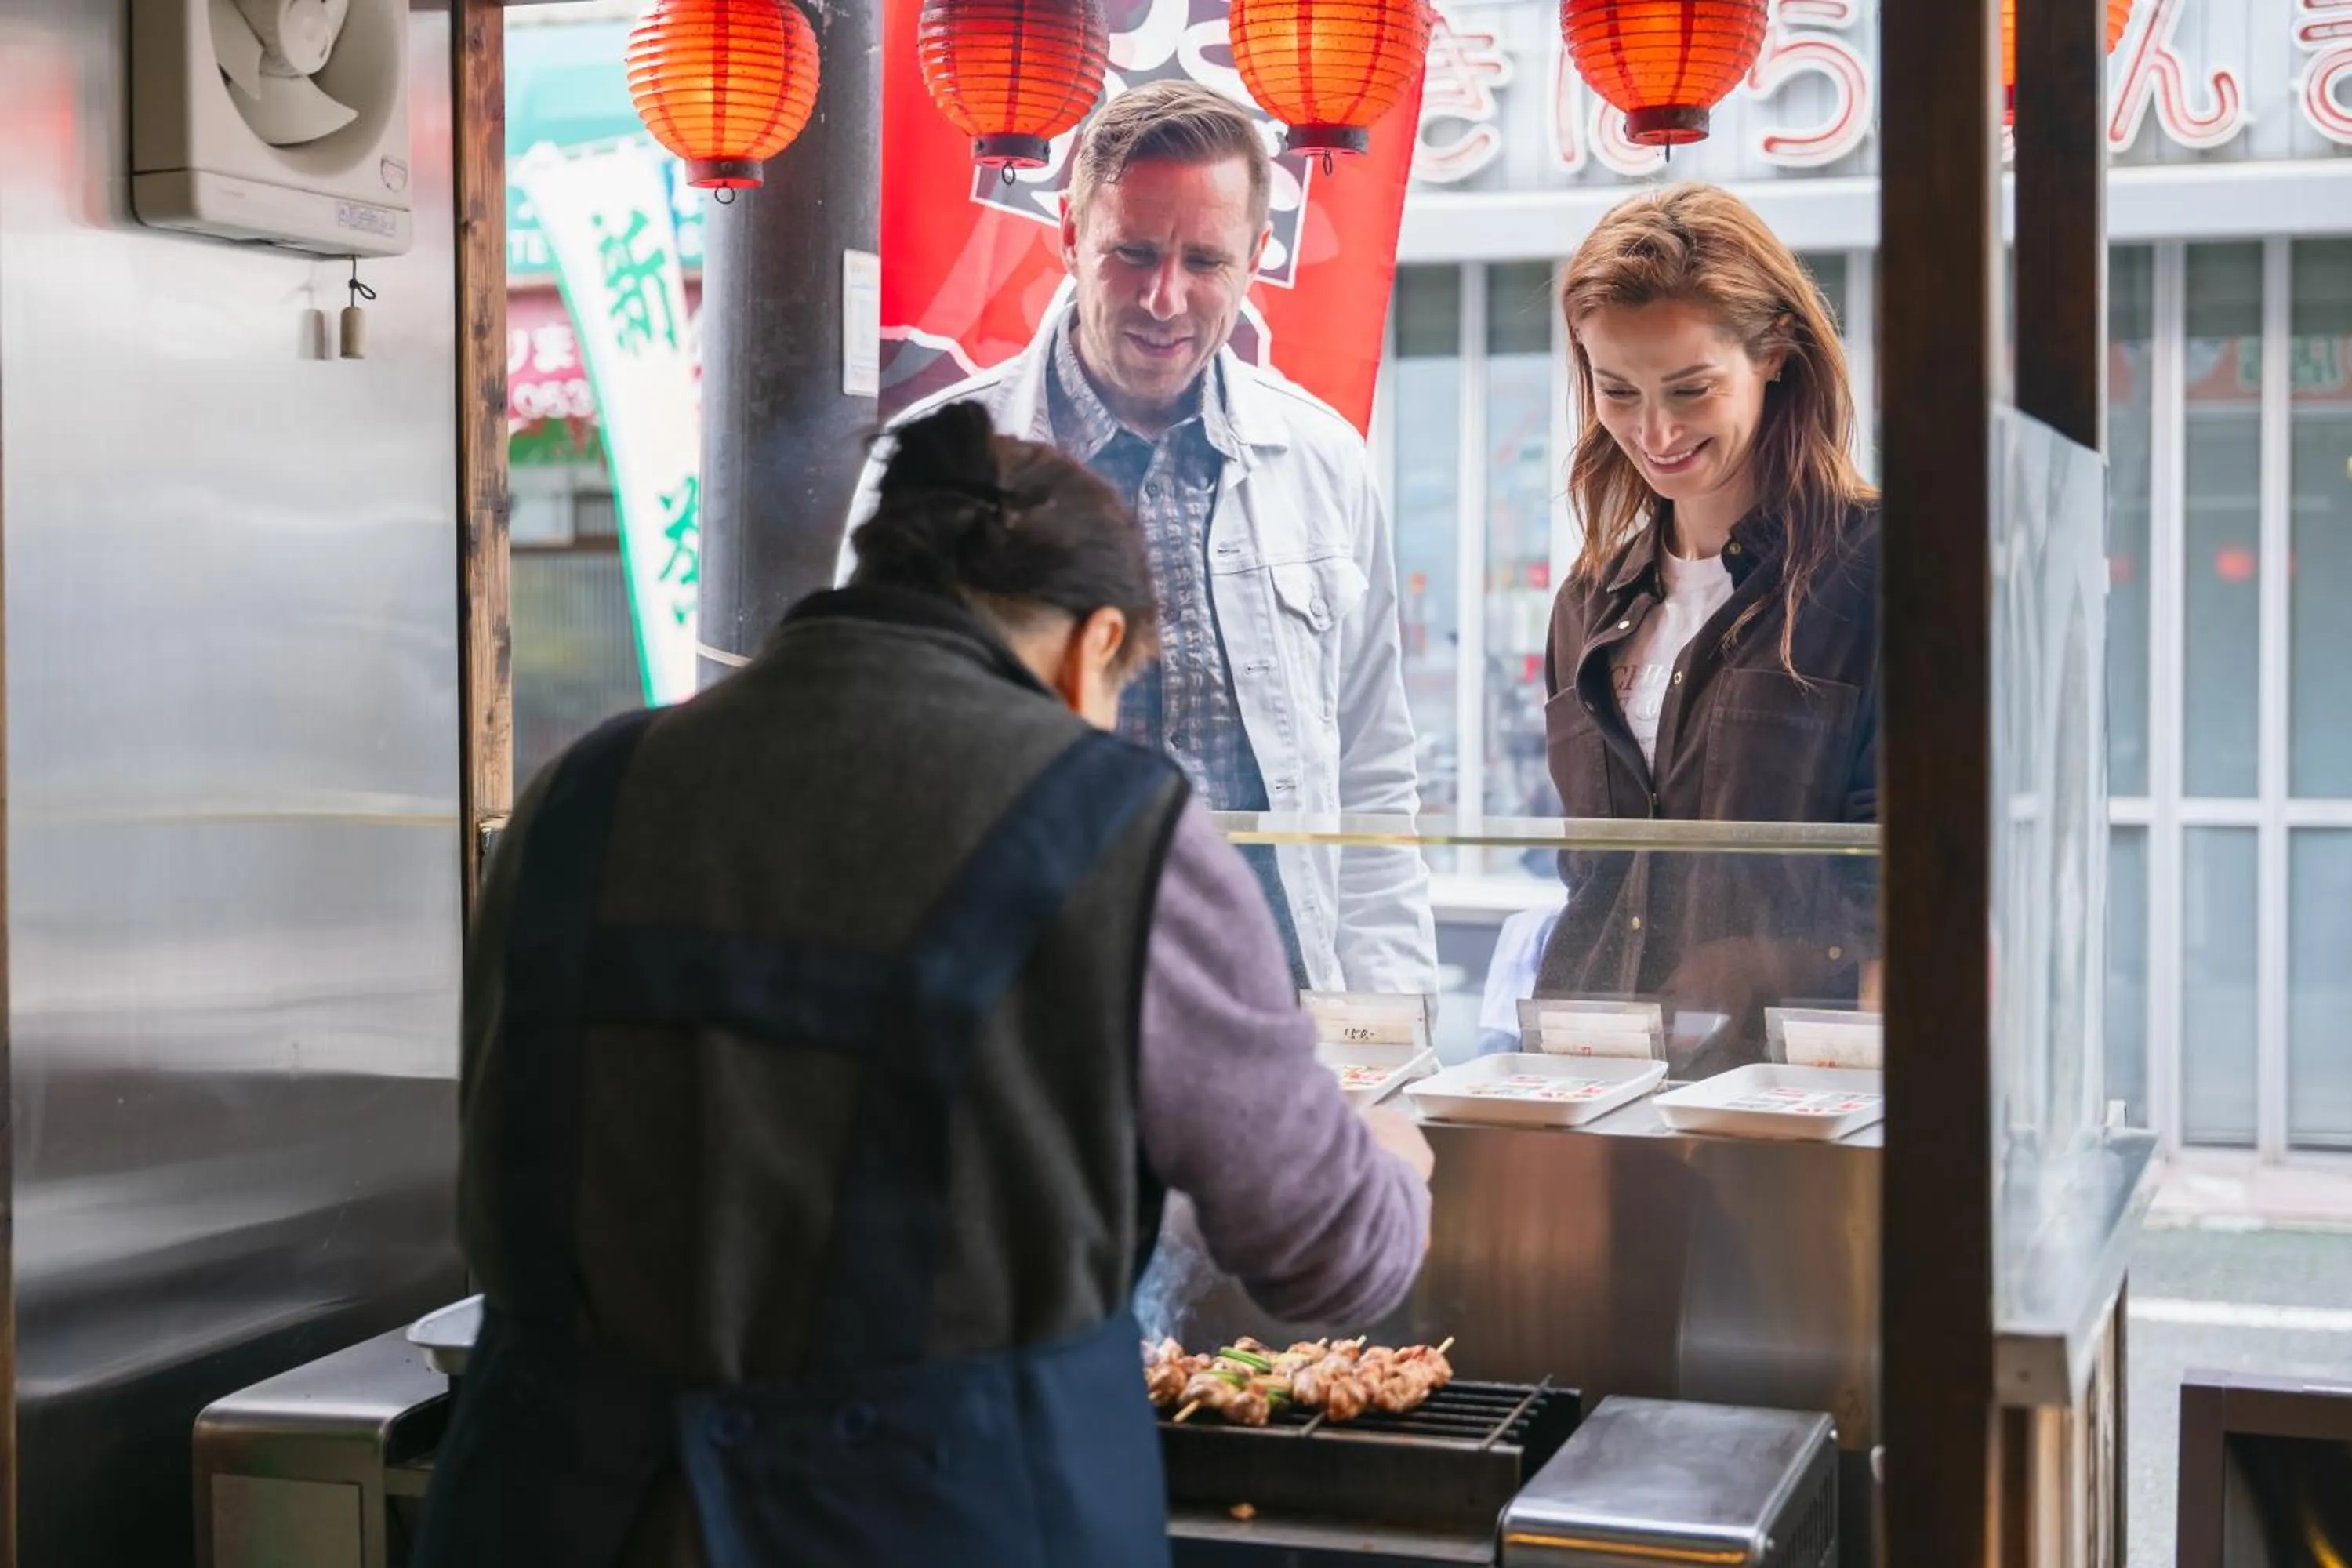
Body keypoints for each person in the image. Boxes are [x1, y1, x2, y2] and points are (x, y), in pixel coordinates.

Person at [417, 403, 1433, 1568]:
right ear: (1090, 646)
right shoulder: (1113, 829)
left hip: (548, 1511)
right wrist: (1394, 1159)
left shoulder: (576, 793)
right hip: (925, 1515)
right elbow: (1329, 1250)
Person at [844, 79, 1436, 1000]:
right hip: (1028, 1009)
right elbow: (871, 762)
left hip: (1275, 1005)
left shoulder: (1323, 459)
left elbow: (1373, 769)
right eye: (1133, 253)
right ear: (1071, 239)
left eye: (1205, 259)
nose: (1167, 297)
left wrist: (1396, 1015)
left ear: (1257, 256)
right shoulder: (938, 460)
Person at [1535, 183, 1879, 1076]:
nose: (1655, 430)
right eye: (1617, 389)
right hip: (1601, 1078)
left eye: (1690, 388)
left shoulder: (1882, 571)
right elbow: (1592, 878)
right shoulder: (1588, 604)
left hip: (1791, 1083)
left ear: (1774, 353)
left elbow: (1911, 888)